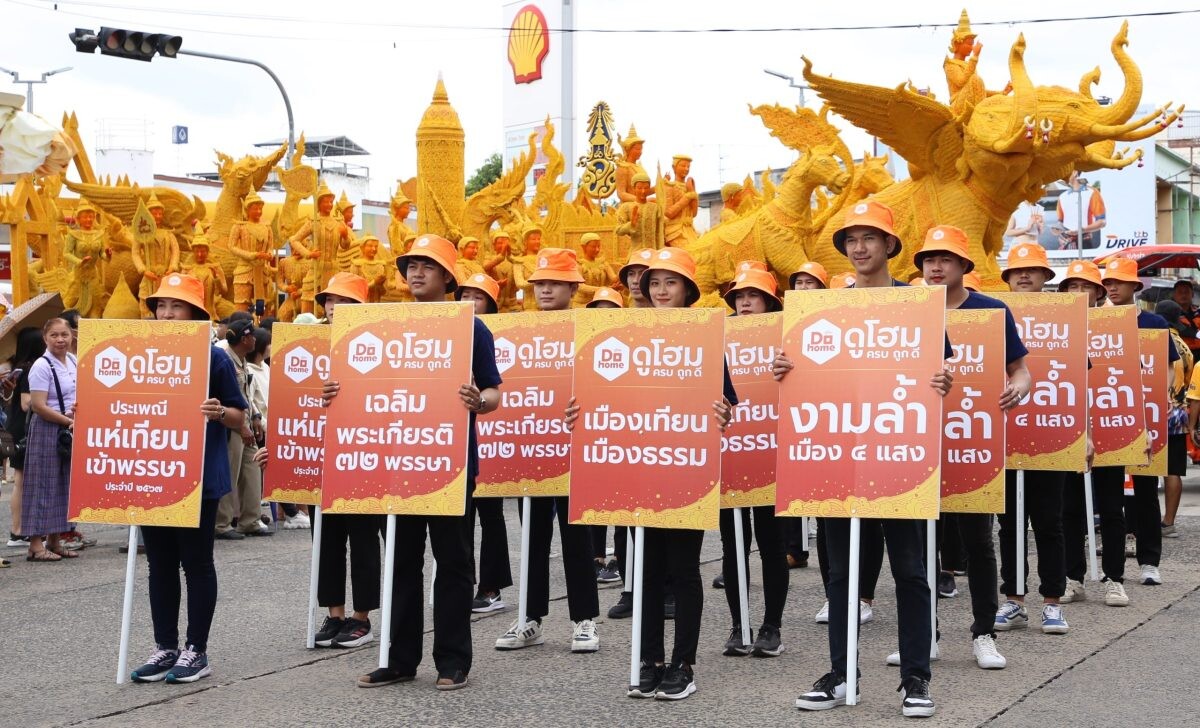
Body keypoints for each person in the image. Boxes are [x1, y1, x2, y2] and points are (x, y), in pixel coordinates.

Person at [779, 201, 951, 717]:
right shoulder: (823, 307)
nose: (859, 247)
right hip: (838, 459)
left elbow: (941, 369)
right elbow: (804, 372)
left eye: (870, 238)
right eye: (851, 239)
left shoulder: (919, 304)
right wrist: (785, 366)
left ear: (890, 246)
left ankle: (916, 678)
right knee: (841, 579)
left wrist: (945, 380)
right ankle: (839, 673)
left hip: (898, 458)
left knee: (911, 573)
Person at [328, 234, 501, 691]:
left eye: (427, 265)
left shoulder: (471, 328)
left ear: (448, 276)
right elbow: (357, 384)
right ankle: (398, 659)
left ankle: (453, 661)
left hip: (448, 463)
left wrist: (477, 401)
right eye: (410, 265)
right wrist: (336, 392)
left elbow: (494, 392)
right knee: (401, 563)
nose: (416, 273)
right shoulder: (383, 325)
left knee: (453, 562)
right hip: (397, 462)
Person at [564, 246, 733, 700]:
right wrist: (580, 414)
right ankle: (650, 659)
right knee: (648, 570)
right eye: (654, 283)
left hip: (686, 470)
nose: (660, 291)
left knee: (684, 570)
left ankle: (684, 664)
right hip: (640, 469)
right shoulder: (625, 333)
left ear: (688, 290)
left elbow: (728, 403)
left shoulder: (705, 336)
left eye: (670, 282)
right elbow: (601, 395)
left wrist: (722, 413)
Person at [917, 226, 1031, 671]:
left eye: (945, 258)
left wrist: (1017, 389)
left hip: (973, 443)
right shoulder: (907, 310)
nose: (936, 266)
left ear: (965, 265)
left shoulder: (993, 311)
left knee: (979, 542)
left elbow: (1021, 371)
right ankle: (924, 634)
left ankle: (983, 632)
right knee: (919, 547)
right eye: (929, 259)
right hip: (915, 445)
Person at [130, 273, 248, 683]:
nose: (166, 313)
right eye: (161, 306)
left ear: (195, 313)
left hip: (197, 476)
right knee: (159, 564)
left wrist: (217, 412)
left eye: (175, 306)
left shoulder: (213, 358)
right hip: (152, 474)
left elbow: (239, 415)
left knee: (195, 564)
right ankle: (165, 647)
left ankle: (196, 650)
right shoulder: (139, 352)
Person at [494, 249, 601, 654]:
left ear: (573, 287)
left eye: (554, 283)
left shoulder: (588, 328)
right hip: (531, 446)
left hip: (574, 449)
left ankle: (585, 620)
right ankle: (529, 618)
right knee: (533, 537)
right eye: (539, 283)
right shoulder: (518, 329)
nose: (545, 290)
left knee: (577, 538)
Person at [995, 242, 1071, 636]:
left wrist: (1086, 433)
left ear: (1046, 277)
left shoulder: (1068, 318)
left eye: (1032, 271)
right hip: (1004, 437)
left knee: (1049, 522)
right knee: (1009, 524)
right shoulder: (991, 317)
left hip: (1052, 434)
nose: (1023, 276)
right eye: (1016, 271)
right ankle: (1013, 600)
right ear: (1006, 279)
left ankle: (1052, 602)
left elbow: (1082, 379)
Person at [717, 266, 789, 659]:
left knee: (772, 544)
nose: (744, 302)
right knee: (733, 547)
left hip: (771, 454)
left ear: (769, 301)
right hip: (730, 453)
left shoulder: (786, 337)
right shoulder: (716, 334)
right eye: (739, 296)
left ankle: (771, 625)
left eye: (753, 295)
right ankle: (738, 623)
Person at [309, 273, 384, 648]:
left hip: (361, 457)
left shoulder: (378, 345)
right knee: (327, 537)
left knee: (364, 537)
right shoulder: (307, 344)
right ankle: (334, 613)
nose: (333, 307)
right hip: (319, 458)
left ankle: (362, 617)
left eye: (344, 301)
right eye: (328, 300)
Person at [1101, 258, 1177, 590]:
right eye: (1108, 282)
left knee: (1146, 489)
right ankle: (1109, 567)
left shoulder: (1154, 322)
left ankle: (1149, 561)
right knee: (1108, 494)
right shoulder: (1095, 322)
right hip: (1108, 416)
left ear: (1136, 287)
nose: (1113, 287)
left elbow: (1169, 365)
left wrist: (1161, 396)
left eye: (1120, 281)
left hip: (1146, 417)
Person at [454, 273, 513, 614]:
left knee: (491, 516)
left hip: (503, 436)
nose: (470, 302)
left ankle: (490, 586)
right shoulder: (448, 331)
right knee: (463, 519)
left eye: (478, 297)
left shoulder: (484, 333)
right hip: (465, 436)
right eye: (466, 294)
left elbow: (494, 388)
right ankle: (462, 583)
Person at [605, 248, 657, 622]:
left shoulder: (683, 325)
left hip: (666, 430)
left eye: (646, 273)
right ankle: (629, 586)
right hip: (626, 430)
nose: (637, 280)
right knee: (625, 515)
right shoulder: (614, 327)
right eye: (633, 273)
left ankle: (663, 588)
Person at [1058, 261, 1108, 605]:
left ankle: (1114, 577)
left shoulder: (1120, 324)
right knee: (1069, 507)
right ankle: (1073, 576)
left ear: (1099, 293)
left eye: (1084, 287)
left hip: (1115, 423)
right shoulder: (1056, 326)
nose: (1077, 294)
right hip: (1066, 427)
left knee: (1112, 505)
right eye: (1071, 287)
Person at [21, 319, 77, 563]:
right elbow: (38, 406)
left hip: (69, 427)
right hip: (48, 427)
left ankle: (55, 541)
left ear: (71, 336)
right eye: (54, 335)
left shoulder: (74, 361)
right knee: (41, 485)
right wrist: (66, 421)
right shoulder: (41, 366)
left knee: (65, 484)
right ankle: (35, 544)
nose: (60, 339)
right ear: (45, 338)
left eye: (64, 334)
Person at [214, 318, 269, 539]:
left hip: (246, 422)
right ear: (245, 339)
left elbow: (246, 394)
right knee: (230, 473)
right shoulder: (226, 359)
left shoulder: (241, 360)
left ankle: (250, 520)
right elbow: (230, 399)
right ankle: (222, 524)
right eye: (252, 336)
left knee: (252, 468)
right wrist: (244, 427)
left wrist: (255, 415)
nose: (255, 339)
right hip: (232, 426)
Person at [5, 327, 45, 549]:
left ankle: (18, 529)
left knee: (20, 479)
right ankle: (18, 530)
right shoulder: (31, 369)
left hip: (16, 426)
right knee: (21, 479)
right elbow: (26, 402)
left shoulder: (17, 367)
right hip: (24, 429)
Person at [1054, 172, 1105, 250]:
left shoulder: (1092, 193)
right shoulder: (1062, 196)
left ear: (1074, 172)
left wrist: (1081, 230)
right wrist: (1056, 229)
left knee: (1084, 262)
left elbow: (1102, 222)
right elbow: (1060, 222)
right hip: (1065, 242)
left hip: (1084, 242)